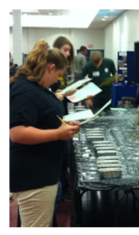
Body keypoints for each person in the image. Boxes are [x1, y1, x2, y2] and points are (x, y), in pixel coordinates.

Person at [10, 40, 81, 227]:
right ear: (50, 68)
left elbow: (41, 118)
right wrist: (58, 134)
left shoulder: (36, 86)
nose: (57, 79)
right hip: (34, 177)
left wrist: (62, 125)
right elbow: (17, 133)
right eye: (58, 74)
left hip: (44, 173)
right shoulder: (25, 91)